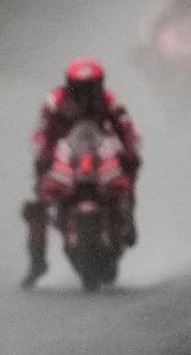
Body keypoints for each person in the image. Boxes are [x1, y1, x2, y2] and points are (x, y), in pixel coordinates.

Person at [21, 57, 142, 289]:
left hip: (99, 148)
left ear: (100, 84)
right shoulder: (55, 101)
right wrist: (43, 157)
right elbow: (44, 131)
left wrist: (131, 152)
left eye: (91, 87)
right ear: (69, 84)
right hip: (65, 151)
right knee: (39, 200)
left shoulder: (109, 100)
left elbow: (125, 128)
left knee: (124, 178)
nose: (85, 93)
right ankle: (37, 262)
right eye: (80, 87)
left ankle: (128, 219)